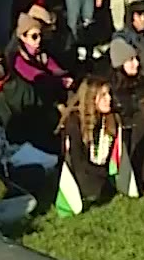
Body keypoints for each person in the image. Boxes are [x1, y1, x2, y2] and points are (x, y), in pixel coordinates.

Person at [55, 75, 138, 215]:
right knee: (93, 188)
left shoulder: (112, 119)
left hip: (102, 170)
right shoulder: (74, 121)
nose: (109, 99)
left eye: (109, 94)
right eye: (103, 95)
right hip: (82, 173)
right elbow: (76, 160)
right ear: (91, 98)